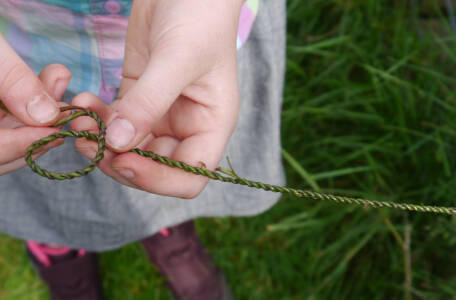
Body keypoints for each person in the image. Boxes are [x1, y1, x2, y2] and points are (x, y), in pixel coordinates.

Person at [0, 0, 286, 299]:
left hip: (200, 33)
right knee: (37, 163)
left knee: (164, 155)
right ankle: (56, 242)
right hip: (26, 45)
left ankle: (162, 226)